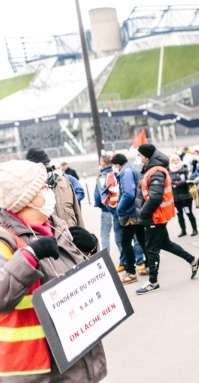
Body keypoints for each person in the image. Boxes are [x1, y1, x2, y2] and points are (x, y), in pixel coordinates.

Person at [0, 160, 106, 381]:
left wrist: (92, 249)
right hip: (35, 366)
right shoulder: (4, 239)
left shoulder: (56, 225)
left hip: (78, 355)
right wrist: (30, 256)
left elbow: (87, 282)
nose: (49, 191)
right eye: (42, 187)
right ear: (25, 198)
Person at [135, 144, 199, 294]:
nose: (138, 158)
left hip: (155, 216)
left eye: (139, 155)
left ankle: (153, 281)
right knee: (165, 243)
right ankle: (192, 260)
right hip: (156, 215)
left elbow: (155, 198)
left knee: (151, 249)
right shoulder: (152, 169)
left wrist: (143, 214)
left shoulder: (156, 171)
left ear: (146, 156)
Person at [111, 153, 148, 284]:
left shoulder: (125, 172)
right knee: (142, 238)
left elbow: (128, 193)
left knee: (126, 242)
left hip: (130, 213)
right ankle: (149, 265)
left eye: (114, 165)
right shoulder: (131, 169)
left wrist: (119, 208)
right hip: (137, 210)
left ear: (117, 164)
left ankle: (131, 272)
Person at [25, 147, 85, 227]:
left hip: (70, 235)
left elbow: (77, 212)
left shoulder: (63, 182)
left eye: (46, 164)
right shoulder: (27, 189)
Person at [169, 154, 198, 237]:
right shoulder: (168, 171)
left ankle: (194, 229)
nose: (175, 161)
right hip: (175, 198)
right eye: (173, 160)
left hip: (186, 196)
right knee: (179, 215)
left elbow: (190, 180)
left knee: (189, 213)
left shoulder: (184, 169)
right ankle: (183, 230)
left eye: (177, 159)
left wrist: (179, 183)